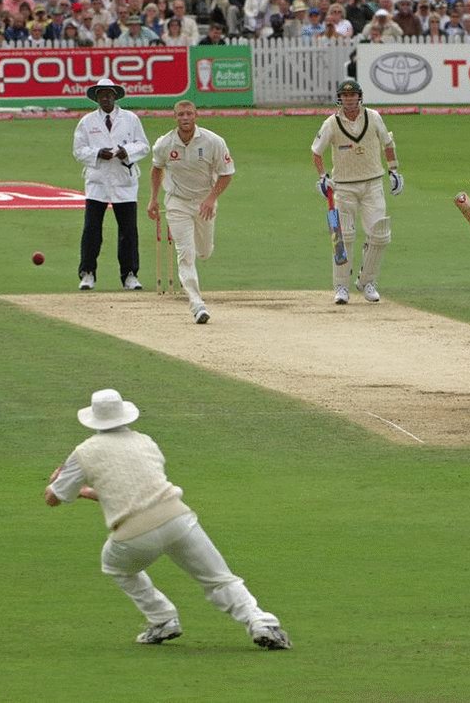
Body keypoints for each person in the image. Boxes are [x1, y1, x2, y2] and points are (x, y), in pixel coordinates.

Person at [44, 388, 292, 650]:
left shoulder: (83, 452)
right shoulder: (145, 441)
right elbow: (136, 491)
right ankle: (261, 622)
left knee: (115, 566)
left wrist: (56, 484)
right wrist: (84, 492)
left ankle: (162, 618)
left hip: (134, 534)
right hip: (178, 519)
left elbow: (53, 498)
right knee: (220, 578)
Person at [310, 79, 401, 306]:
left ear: (359, 97)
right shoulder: (331, 123)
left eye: (353, 96)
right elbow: (316, 152)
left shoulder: (374, 117)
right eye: (345, 96)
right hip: (343, 187)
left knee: (380, 233)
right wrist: (323, 178)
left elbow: (387, 144)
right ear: (340, 98)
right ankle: (341, 286)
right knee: (344, 237)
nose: (349, 100)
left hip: (372, 184)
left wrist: (394, 171)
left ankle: (367, 282)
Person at [147, 100, 235, 325]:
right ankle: (197, 304)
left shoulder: (213, 141)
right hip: (177, 202)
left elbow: (227, 173)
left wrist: (211, 198)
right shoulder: (164, 144)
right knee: (185, 254)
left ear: (196, 115)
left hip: (205, 200)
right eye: (180, 114)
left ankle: (200, 255)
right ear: (174, 117)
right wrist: (153, 200)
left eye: (188, 114)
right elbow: (156, 169)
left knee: (204, 252)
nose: (185, 118)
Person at [72, 78, 150, 292]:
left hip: (124, 180)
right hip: (97, 180)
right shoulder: (87, 122)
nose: (105, 98)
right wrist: (97, 154)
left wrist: (128, 152)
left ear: (115, 96)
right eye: (101, 94)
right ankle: (87, 273)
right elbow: (78, 150)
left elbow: (143, 146)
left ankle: (130, 275)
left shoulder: (130, 119)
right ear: (96, 98)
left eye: (109, 94)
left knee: (128, 231)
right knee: (91, 229)